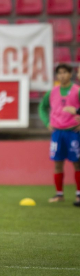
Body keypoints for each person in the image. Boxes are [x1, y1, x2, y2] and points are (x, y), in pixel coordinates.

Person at [47, 64, 80, 207]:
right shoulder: (52, 92)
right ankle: (59, 194)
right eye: (59, 73)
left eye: (65, 72)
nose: (62, 75)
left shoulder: (77, 91)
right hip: (57, 132)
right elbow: (42, 107)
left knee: (77, 163)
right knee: (57, 163)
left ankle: (79, 194)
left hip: (73, 131)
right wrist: (46, 121)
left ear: (71, 74)